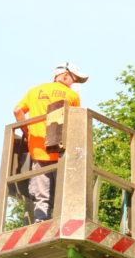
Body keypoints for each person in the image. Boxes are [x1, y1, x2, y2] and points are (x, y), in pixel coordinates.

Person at [13, 62, 89, 223]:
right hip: (62, 151)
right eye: (73, 79)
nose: (73, 83)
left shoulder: (34, 91)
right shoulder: (72, 95)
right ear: (64, 75)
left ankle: (41, 221)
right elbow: (76, 123)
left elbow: (17, 111)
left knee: (42, 194)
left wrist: (28, 132)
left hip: (39, 150)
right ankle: (66, 222)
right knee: (65, 191)